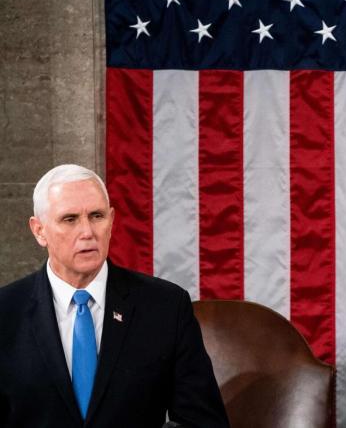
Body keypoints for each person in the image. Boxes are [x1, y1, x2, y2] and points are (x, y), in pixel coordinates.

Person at [0, 164, 230, 428]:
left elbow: (203, 422)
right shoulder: (6, 312)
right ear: (39, 230)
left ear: (111, 221)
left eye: (96, 216)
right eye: (70, 219)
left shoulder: (166, 307)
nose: (87, 232)